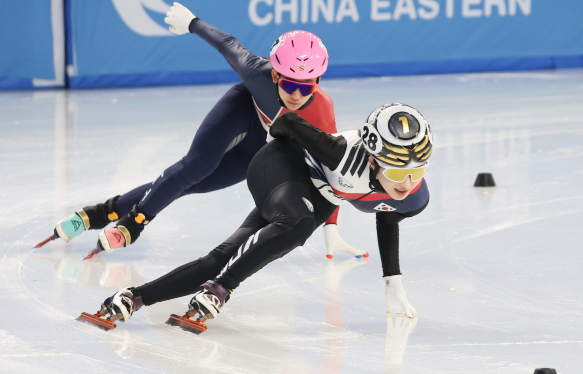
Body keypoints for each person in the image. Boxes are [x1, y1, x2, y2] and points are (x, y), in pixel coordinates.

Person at [35, 2, 364, 259]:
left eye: (306, 88)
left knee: (191, 184)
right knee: (196, 165)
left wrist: (331, 226)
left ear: (318, 82)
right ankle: (134, 224)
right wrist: (192, 24)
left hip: (260, 147)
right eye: (289, 83)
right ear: (276, 76)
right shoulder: (257, 73)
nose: (296, 94)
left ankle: (100, 212)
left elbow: (330, 171)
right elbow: (227, 44)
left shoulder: (323, 112)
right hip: (242, 111)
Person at [79, 103, 431, 332]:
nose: (408, 184)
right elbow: (290, 122)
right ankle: (221, 289)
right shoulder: (340, 154)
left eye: (418, 171)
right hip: (279, 164)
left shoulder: (413, 195)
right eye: (399, 174)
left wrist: (392, 282)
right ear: (371, 158)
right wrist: (272, 140)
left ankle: (133, 298)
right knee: (299, 223)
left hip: (314, 197)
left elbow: (388, 217)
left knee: (220, 258)